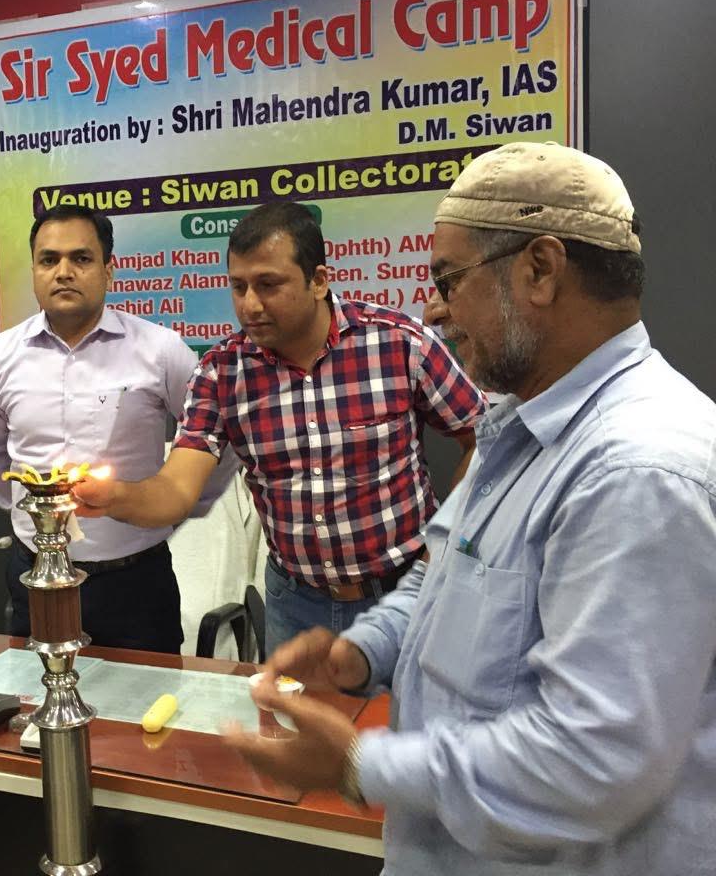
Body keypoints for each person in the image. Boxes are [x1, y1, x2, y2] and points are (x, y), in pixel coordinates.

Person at [224, 142, 716, 875]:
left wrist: (361, 764)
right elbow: (444, 572)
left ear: (540, 270)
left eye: (449, 280)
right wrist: (362, 652)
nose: (433, 307)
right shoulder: (516, 421)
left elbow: (594, 760)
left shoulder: (636, 471)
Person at [74, 201, 484, 648]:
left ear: (319, 281)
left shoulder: (398, 342)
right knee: (291, 701)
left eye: (268, 285)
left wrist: (445, 547)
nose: (250, 305)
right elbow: (176, 489)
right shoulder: (222, 372)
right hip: (295, 606)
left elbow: (486, 442)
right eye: (239, 287)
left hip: (406, 593)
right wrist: (112, 496)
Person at [0, 204, 236, 654]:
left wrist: (174, 505)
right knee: (37, 692)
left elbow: (217, 444)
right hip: (35, 574)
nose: (64, 272)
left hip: (135, 582)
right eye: (49, 260)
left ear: (109, 270)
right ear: (34, 271)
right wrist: (35, 517)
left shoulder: (161, 351)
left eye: (81, 258)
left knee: (149, 698)